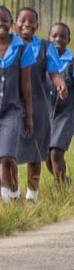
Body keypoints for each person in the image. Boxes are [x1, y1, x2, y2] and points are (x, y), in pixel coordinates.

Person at [0, 6, 33, 203]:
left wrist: (29, 115)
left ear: (11, 23)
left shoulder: (21, 49)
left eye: (4, 20)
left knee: (7, 157)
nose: (0, 24)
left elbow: (26, 86)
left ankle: (9, 196)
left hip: (13, 110)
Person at [15, 8, 69, 202]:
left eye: (32, 21)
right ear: (15, 23)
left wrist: (60, 84)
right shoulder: (8, 45)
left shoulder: (46, 47)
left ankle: (32, 195)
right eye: (22, 20)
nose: (27, 24)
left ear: (38, 25)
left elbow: (54, 72)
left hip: (39, 105)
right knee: (8, 152)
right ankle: (11, 195)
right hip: (13, 106)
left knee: (35, 152)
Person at [48, 23, 74, 188]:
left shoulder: (71, 63)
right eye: (54, 36)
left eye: (62, 37)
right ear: (48, 38)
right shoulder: (44, 61)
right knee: (48, 158)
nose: (58, 40)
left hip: (66, 114)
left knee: (56, 153)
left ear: (69, 40)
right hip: (47, 114)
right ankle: (67, 183)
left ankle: (60, 192)